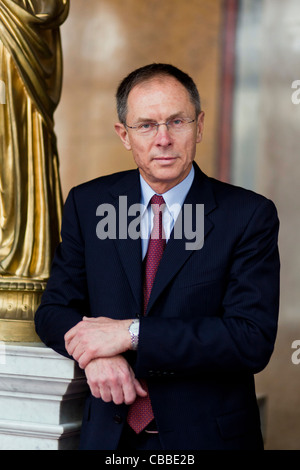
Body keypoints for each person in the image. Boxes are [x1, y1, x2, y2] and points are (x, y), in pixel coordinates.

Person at [35, 63, 280, 450]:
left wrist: (129, 334)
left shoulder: (248, 215)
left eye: (176, 122)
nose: (163, 139)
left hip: (208, 439)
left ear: (198, 126)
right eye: (146, 125)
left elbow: (250, 339)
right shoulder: (89, 203)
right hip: (109, 437)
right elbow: (53, 311)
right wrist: (96, 356)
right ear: (124, 135)